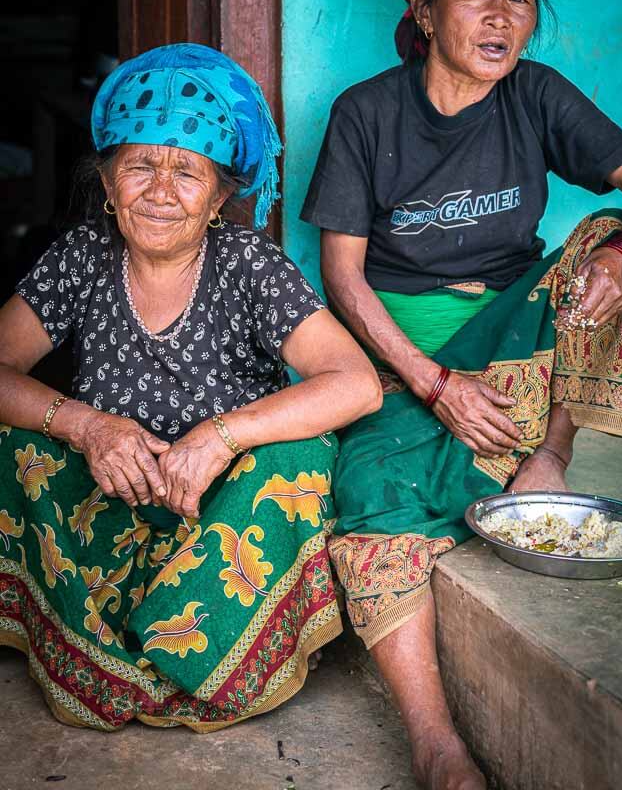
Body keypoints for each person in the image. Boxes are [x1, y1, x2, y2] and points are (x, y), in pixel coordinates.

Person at [301, 0, 622, 789]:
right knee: (370, 494)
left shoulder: (538, 93)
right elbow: (345, 281)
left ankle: (543, 454)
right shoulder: (365, 112)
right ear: (424, 12)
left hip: (516, 332)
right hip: (404, 357)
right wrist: (435, 385)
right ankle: (438, 748)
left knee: (608, 239)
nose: (502, 17)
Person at [0, 42, 382, 731]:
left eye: (187, 172)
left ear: (219, 197)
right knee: (12, 448)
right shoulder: (82, 255)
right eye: (140, 165)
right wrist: (86, 426)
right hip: (107, 500)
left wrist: (218, 438)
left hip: (220, 518)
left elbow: (354, 383)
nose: (161, 190)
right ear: (109, 185)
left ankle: (202, 657)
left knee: (297, 461)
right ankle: (96, 640)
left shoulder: (247, 264)